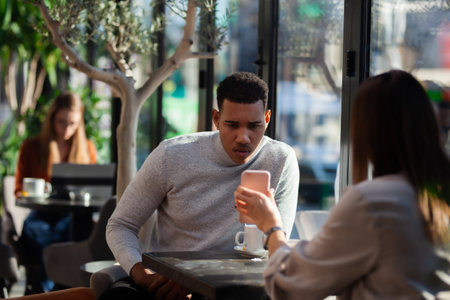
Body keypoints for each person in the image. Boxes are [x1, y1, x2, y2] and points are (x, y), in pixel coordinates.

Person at [235, 70, 450, 299]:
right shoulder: (437, 192)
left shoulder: (373, 201)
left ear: (367, 131)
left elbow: (291, 284)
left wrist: (271, 226)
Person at [105, 72, 299, 299]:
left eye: (254, 126)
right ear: (216, 119)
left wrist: (195, 282)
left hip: (236, 286)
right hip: (166, 283)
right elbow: (120, 225)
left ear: (267, 119)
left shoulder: (281, 160)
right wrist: (142, 275)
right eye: (232, 125)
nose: (243, 137)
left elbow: (275, 246)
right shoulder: (172, 155)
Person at [15, 91, 97, 292]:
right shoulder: (31, 148)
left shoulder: (87, 149)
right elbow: (18, 189)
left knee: (77, 231)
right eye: (61, 122)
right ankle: (57, 290)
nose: (66, 129)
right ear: (51, 119)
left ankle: (44, 291)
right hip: (41, 216)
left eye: (73, 123)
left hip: (72, 218)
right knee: (51, 238)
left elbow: (95, 190)